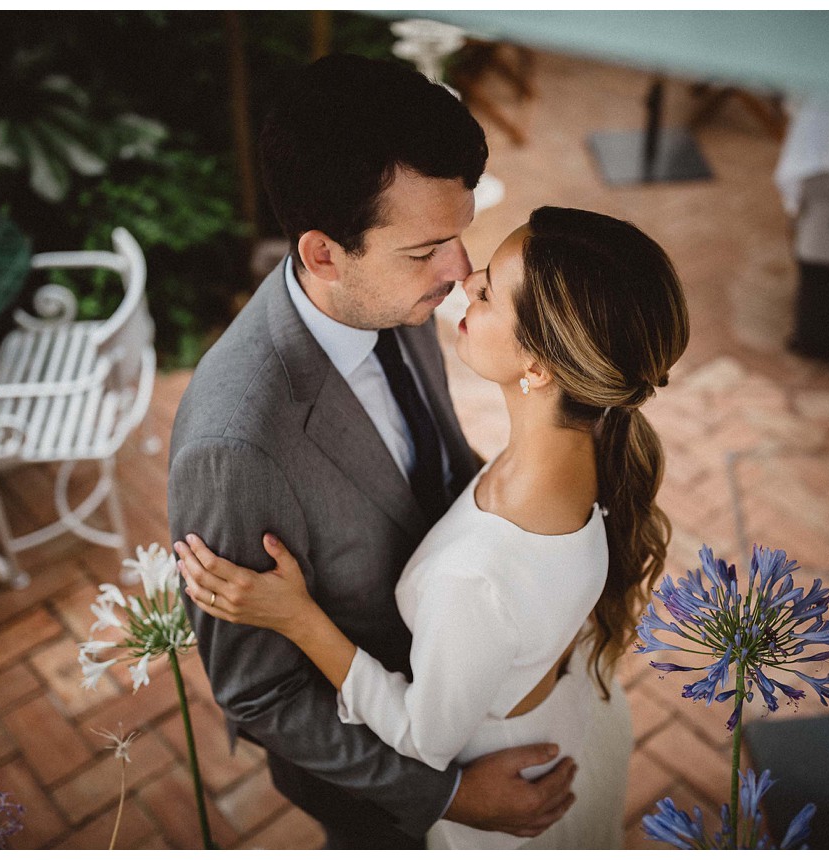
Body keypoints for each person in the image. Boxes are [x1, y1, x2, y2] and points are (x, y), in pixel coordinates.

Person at [176, 205, 691, 848]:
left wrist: (297, 618)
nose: (466, 279)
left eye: (490, 291)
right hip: (574, 719)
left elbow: (423, 735)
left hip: (510, 780)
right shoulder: (578, 464)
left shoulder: (474, 574)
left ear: (538, 367)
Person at [167, 55, 579, 849]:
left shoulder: (394, 297)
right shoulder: (237, 445)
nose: (461, 274)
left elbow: (441, 466)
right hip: (378, 788)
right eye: (427, 250)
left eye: (460, 236)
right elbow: (258, 694)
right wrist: (448, 795)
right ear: (323, 253)